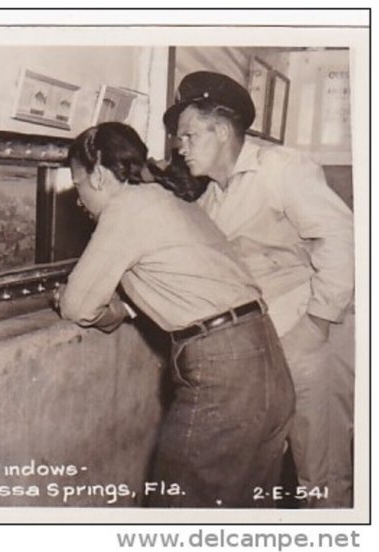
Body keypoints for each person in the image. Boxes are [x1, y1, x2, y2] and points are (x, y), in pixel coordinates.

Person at [56, 122, 295, 508]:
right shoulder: (171, 200)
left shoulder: (128, 207)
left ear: (98, 175)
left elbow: (77, 306)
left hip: (224, 372)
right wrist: (119, 308)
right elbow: (174, 277)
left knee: (177, 510)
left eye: (79, 184)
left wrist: (105, 315)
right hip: (265, 360)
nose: (80, 201)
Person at [163, 71, 355, 508]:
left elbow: (344, 239)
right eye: (179, 139)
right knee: (268, 468)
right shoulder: (210, 200)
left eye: (189, 135)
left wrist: (318, 323)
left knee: (320, 474)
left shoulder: (282, 168)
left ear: (223, 129)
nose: (180, 146)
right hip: (267, 349)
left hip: (312, 337)